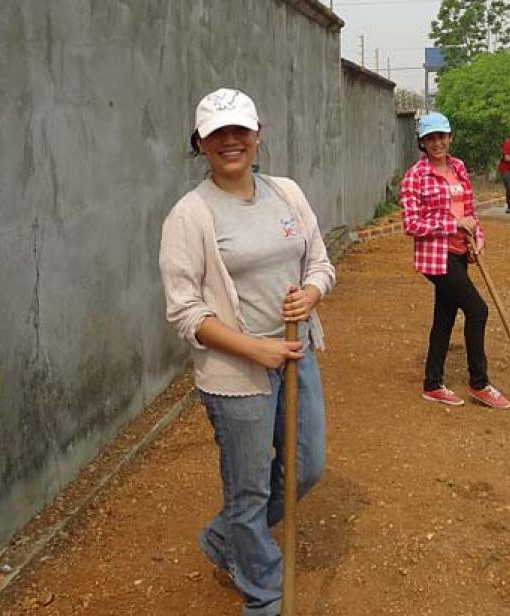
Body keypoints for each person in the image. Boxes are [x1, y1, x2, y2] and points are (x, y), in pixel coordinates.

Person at [159, 88, 335, 616]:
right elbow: (185, 311)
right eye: (217, 134)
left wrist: (314, 292)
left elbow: (320, 262)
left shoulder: (286, 193)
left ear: (258, 135)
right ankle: (264, 596)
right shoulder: (190, 216)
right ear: (201, 144)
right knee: (251, 488)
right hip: (237, 375)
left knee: (306, 469)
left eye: (240, 130)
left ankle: (225, 538)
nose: (230, 141)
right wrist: (255, 349)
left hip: (297, 356)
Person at [401, 112, 510, 410]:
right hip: (437, 258)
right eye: (430, 138)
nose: (437, 143)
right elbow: (411, 224)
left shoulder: (459, 167)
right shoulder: (415, 176)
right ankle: (479, 383)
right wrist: (453, 225)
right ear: (422, 143)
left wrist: (478, 235)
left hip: (461, 252)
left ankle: (432, 383)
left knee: (445, 317)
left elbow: (470, 210)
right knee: (478, 310)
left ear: (450, 137)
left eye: (441, 136)